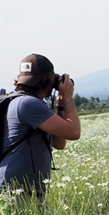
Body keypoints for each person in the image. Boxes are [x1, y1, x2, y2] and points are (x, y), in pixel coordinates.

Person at [0, 54, 81, 201]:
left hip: (20, 189)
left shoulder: (19, 101)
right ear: (48, 80)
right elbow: (74, 132)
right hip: (17, 191)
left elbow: (59, 143)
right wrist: (68, 97)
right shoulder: (28, 104)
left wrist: (61, 105)